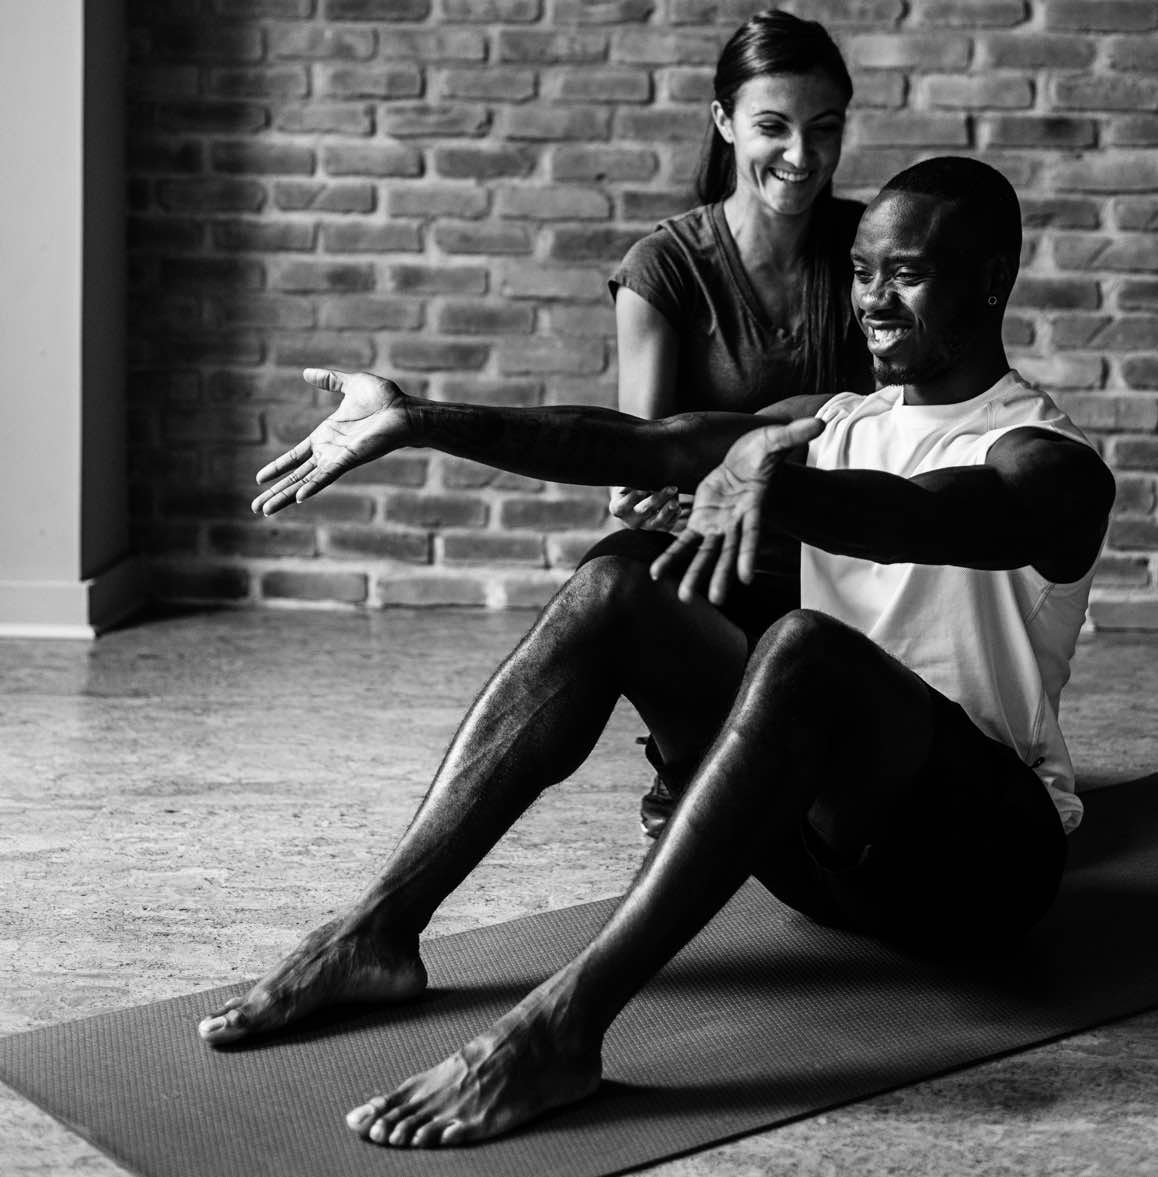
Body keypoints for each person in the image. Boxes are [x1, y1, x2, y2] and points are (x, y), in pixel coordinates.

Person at [196, 157, 1115, 1152]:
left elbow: (923, 517)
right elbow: (645, 444)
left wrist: (769, 485)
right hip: (813, 854)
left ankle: (562, 1029)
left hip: (971, 868)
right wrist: (416, 420)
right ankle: (378, 930)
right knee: (618, 581)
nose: (873, 300)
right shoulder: (840, 419)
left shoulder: (1047, 459)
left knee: (808, 649)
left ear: (991, 278)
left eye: (908, 274)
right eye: (861, 272)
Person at [594, 10, 873, 836]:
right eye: (772, 127)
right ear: (723, 121)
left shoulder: (869, 245)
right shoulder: (664, 268)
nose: (801, 155)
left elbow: (900, 416)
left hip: (843, 550)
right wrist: (637, 492)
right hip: (720, 554)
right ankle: (686, 755)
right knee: (614, 572)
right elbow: (642, 455)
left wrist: (761, 439)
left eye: (824, 128)